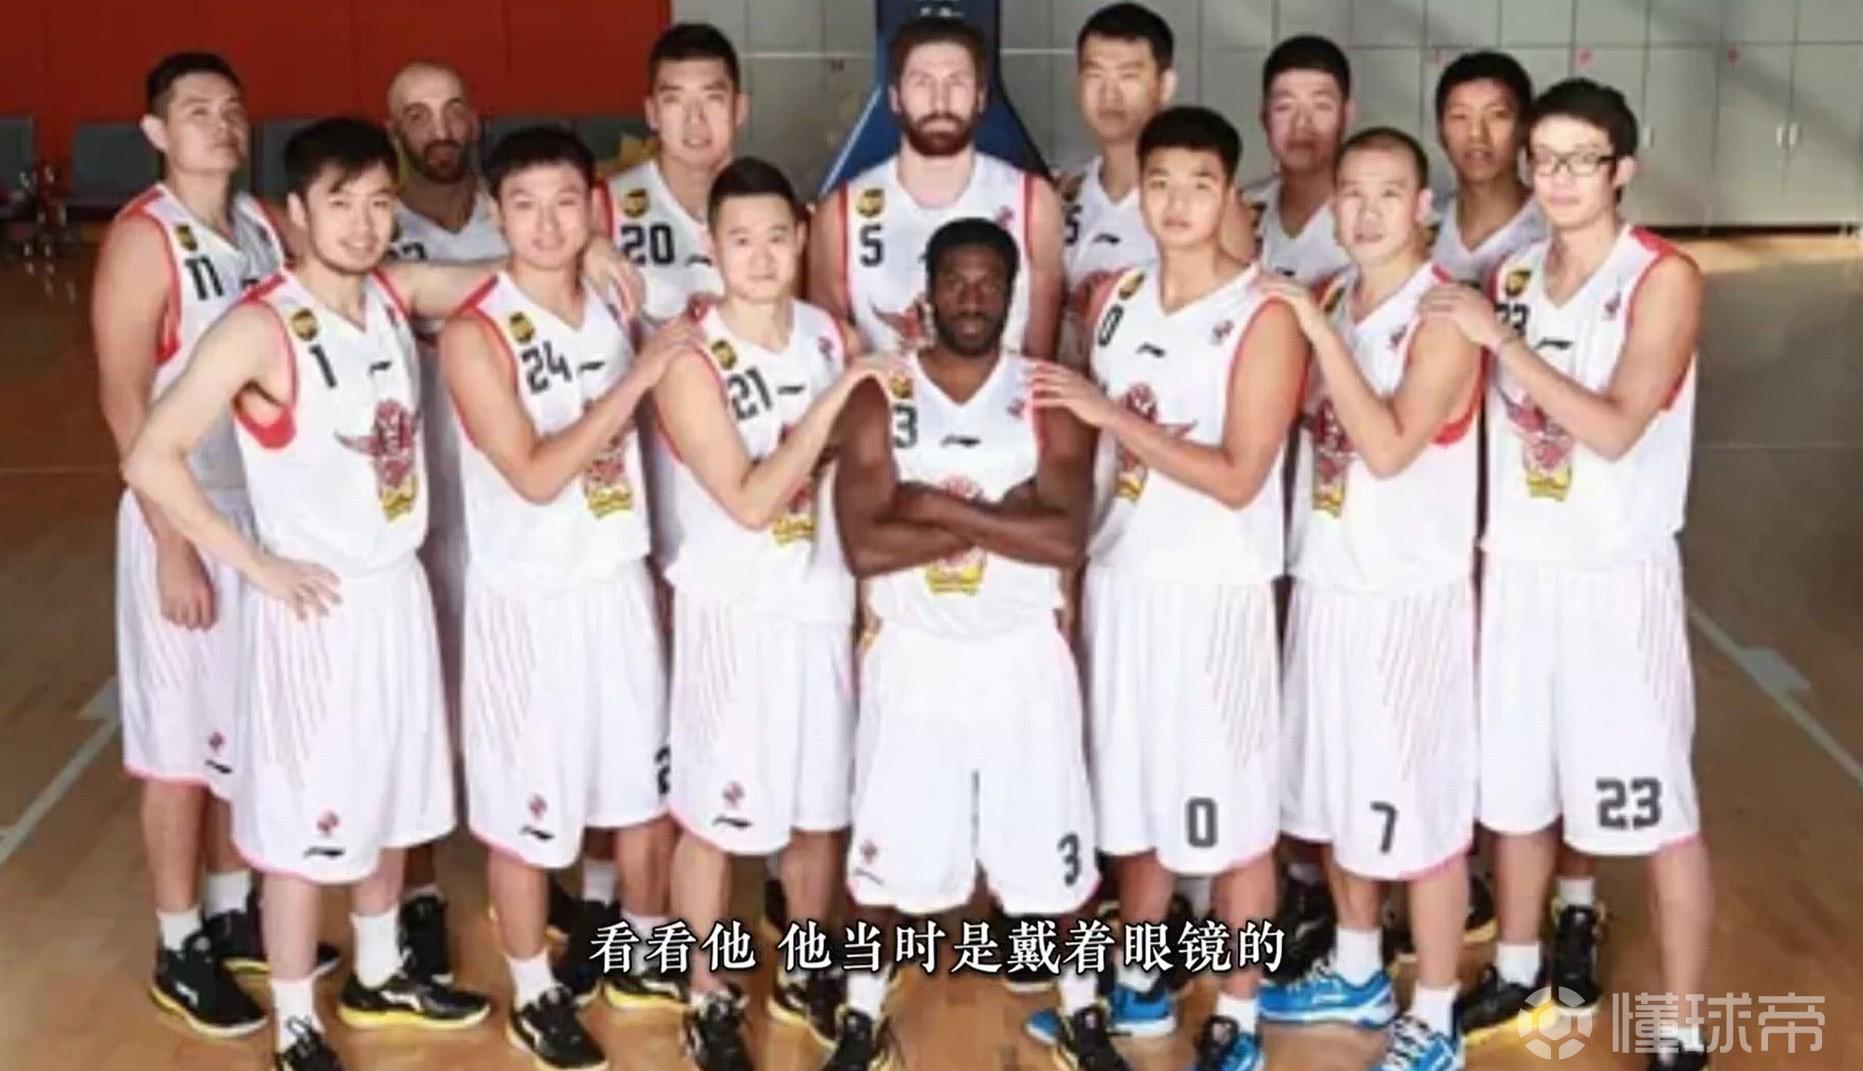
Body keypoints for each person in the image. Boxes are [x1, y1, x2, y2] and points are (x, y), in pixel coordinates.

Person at [122, 116, 627, 1071]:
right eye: (340, 203)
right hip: (313, 605)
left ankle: (382, 970)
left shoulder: (393, 294)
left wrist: (585, 245)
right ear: (296, 212)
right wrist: (253, 562)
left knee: (391, 797)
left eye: (378, 202)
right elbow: (151, 454)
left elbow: (501, 270)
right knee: (302, 822)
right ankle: (295, 1021)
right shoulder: (260, 326)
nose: (362, 222)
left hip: (395, 589)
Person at [1421, 79, 1713, 1071]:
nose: (1556, 178)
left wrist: (1500, 341)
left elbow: (1616, 426)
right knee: (1515, 794)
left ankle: (1683, 1027)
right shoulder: (1511, 276)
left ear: (1621, 169)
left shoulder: (1660, 277)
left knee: (1657, 813)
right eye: (1543, 159)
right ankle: (1515, 966)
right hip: (1519, 571)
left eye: (1580, 160)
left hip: (1613, 580)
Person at [1026, 106, 1305, 1071]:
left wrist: (1110, 415)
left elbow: (1238, 474)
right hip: (1122, 581)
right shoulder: (1113, 298)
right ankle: (1140, 983)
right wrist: (1065, 571)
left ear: (1230, 194)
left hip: (1214, 593)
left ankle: (1239, 1011)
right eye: (1159, 183)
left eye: (1199, 184)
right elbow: (1087, 456)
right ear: (1137, 191)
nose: (1178, 202)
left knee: (1235, 822)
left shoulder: (1264, 313)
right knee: (1132, 801)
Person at [828, 218, 1115, 1071]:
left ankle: (1084, 1015)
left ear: (1013, 293)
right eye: (954, 280)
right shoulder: (880, 393)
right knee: (880, 862)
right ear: (926, 292)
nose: (971, 297)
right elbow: (864, 546)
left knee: (1056, 859)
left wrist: (933, 505)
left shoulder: (1048, 395)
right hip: (914, 656)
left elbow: (1063, 537)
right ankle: (858, 1017)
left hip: (1021, 654)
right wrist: (1001, 515)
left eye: (989, 281)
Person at [92, 50, 337, 1041]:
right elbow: (123, 399)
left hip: (259, 515)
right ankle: (178, 940)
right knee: (179, 745)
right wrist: (171, 543)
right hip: (183, 512)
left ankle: (235, 911)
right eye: (197, 110)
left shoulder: (261, 225)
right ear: (157, 132)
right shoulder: (143, 237)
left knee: (246, 723)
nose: (221, 124)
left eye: (232, 109)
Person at [440, 125, 684, 1071]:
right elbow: (536, 474)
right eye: (525, 205)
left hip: (616, 580)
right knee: (527, 814)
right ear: (497, 214)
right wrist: (639, 379)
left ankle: (640, 951)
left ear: (593, 208)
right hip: (529, 601)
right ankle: (535, 991)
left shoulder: (617, 298)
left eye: (565, 203)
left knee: (640, 795)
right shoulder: (475, 332)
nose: (546, 224)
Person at [652, 157, 889, 1071]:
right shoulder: (688, 355)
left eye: (776, 237)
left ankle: (803, 968)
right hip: (732, 610)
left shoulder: (830, 335)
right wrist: (835, 403)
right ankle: (705, 992)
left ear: (801, 238)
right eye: (739, 239)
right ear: (711, 247)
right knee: (715, 819)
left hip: (819, 602)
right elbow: (750, 500)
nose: (759, 256)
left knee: (818, 811)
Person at [1258, 127, 1482, 1071]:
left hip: (1405, 601)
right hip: (1329, 582)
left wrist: (1316, 336)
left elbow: (1388, 447)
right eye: (1350, 192)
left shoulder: (1445, 315)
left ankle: (1434, 1012)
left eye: (1388, 193)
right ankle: (1355, 968)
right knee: (1337, 795)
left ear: (1423, 207)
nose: (1365, 211)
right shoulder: (1332, 297)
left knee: (1419, 821)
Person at [379, 56, 522, 986]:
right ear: (392, 129)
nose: (439, 127)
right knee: (418, 716)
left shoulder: (515, 212)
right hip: (415, 510)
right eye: (418, 113)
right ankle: (419, 896)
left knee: (517, 703)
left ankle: (536, 877)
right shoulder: (374, 224)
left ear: (476, 119)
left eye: (453, 109)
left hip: (512, 505)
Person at [810, 14, 1065, 362]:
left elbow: (1042, 363)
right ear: (895, 97)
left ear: (981, 97)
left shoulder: (1032, 202)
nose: (939, 99)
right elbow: (829, 359)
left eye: (956, 82)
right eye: (922, 82)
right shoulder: (841, 213)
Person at [1059, 2, 1255, 366]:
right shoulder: (1063, 194)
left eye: (1128, 75)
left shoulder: (1213, 209)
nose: (1109, 94)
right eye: (1095, 74)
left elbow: (1235, 330)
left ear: (1165, 86)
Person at [1243, 35, 1354, 286]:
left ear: (1346, 115)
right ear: (1264, 116)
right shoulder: (1239, 211)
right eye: (1285, 107)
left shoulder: (1384, 216)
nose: (1302, 124)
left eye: (1321, 106)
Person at [1431, 50, 1545, 286]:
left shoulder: (1553, 229)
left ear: (1525, 128)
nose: (1476, 134)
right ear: (1441, 132)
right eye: (1460, 116)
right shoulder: (1419, 229)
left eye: (1497, 115)